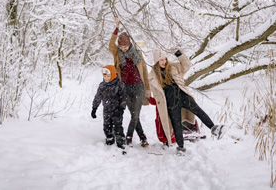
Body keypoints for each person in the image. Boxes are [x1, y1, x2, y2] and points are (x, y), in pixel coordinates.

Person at [148, 49, 226, 155]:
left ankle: (214, 128)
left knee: (198, 111)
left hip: (183, 96)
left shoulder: (173, 66)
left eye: (165, 59)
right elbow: (157, 95)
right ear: (156, 61)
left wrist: (179, 55)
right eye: (161, 60)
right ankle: (180, 148)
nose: (164, 62)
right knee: (177, 125)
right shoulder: (152, 76)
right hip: (171, 103)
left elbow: (186, 65)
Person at [109, 17, 151, 147]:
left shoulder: (137, 53)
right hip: (125, 88)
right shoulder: (117, 54)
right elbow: (111, 45)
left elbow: (144, 71)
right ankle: (143, 137)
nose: (123, 49)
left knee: (136, 114)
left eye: (125, 46)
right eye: (121, 47)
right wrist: (117, 27)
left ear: (129, 44)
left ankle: (129, 136)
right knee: (134, 114)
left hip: (138, 87)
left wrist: (147, 88)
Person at [91, 65, 127, 150]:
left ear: (113, 74)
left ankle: (120, 141)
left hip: (117, 110)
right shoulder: (102, 85)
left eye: (108, 76)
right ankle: (109, 138)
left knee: (118, 127)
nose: (106, 78)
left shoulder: (119, 85)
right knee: (107, 127)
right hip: (106, 110)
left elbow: (123, 98)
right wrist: (94, 108)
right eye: (104, 76)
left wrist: (121, 109)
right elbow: (98, 97)